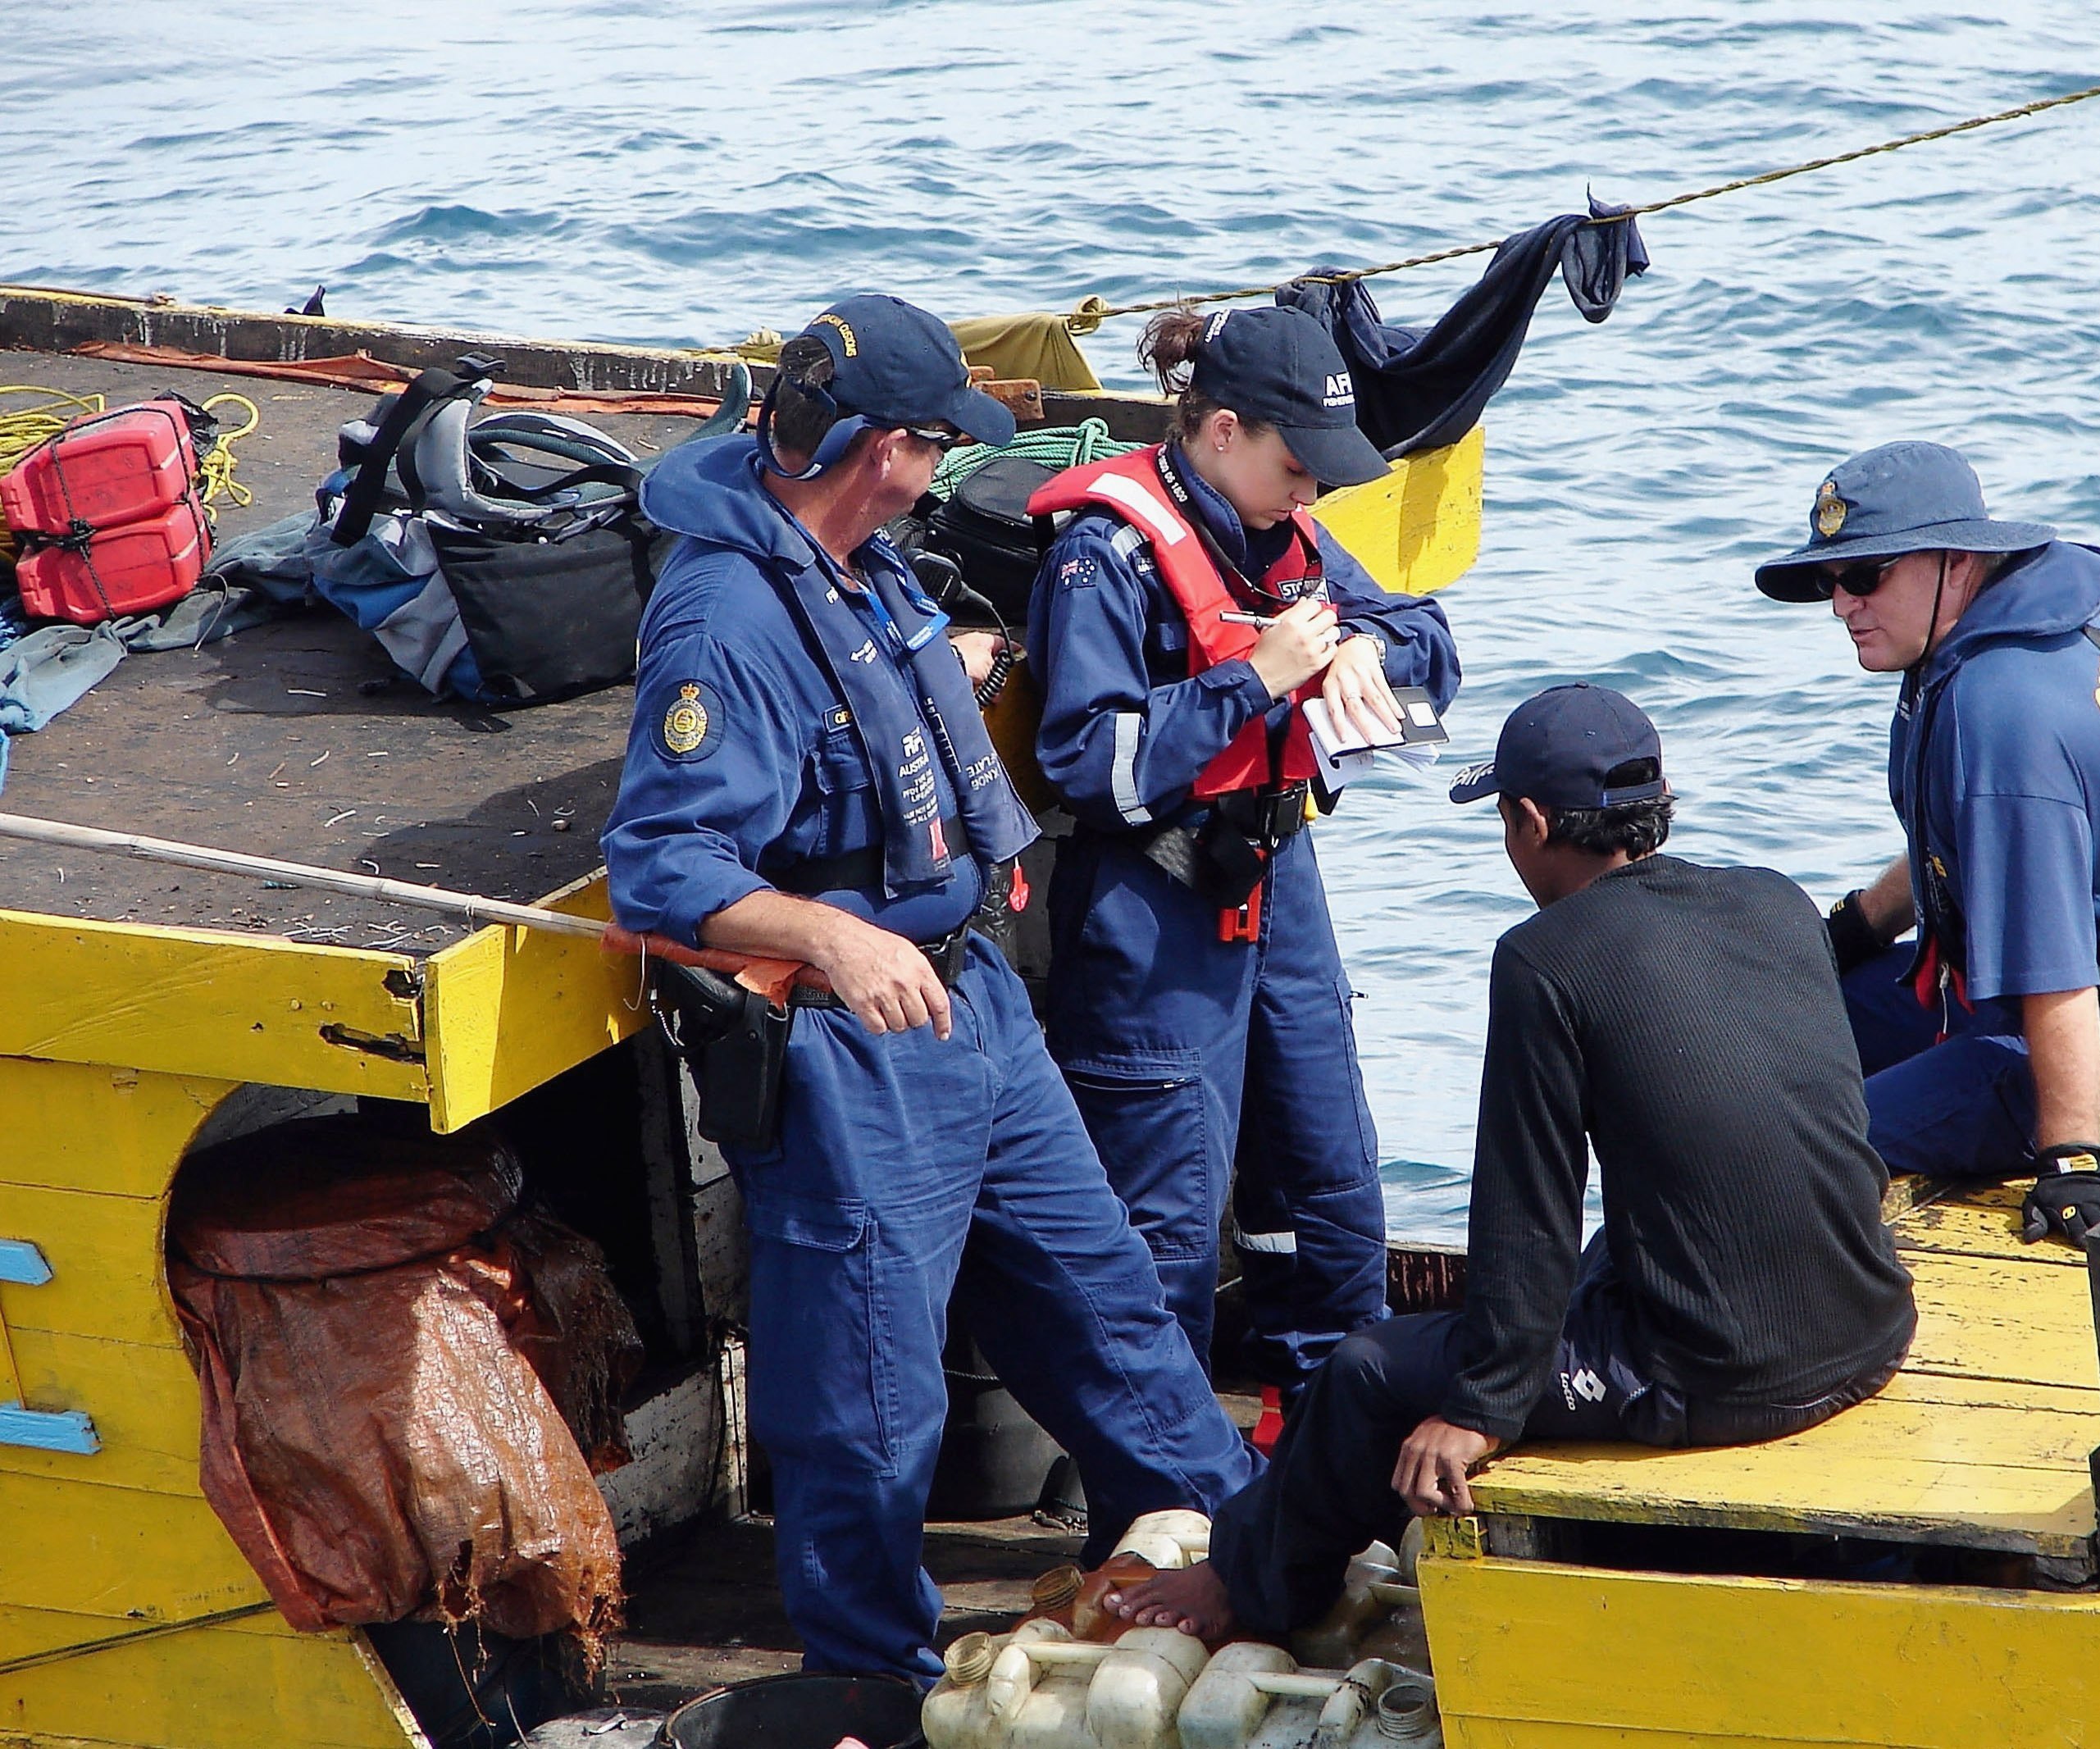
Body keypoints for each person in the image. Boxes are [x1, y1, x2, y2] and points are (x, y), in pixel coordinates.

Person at [601, 294, 1260, 1682]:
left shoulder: (861, 558)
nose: (941, 471)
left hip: (981, 1016)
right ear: (880, 451)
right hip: (856, 1051)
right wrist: (834, 939)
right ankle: (877, 1684)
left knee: (1107, 1304)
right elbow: (661, 865)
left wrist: (965, 674)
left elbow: (893, 683)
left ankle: (1262, 1563)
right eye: (934, 445)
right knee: (867, 1396)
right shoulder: (723, 620)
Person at [1105, 685, 1917, 1639]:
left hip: (1728, 1378)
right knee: (1609, 1262)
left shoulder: (1544, 959)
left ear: (1530, 822)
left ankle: (1251, 1584)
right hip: (1868, 1323)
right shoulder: (1774, 901)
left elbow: (1527, 1211)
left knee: (1365, 1371)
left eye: (1504, 819)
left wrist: (1484, 1409)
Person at [1023, 305, 1461, 1388]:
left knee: (1332, 1188)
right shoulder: (1104, 558)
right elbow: (1093, 764)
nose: (1313, 492)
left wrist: (1363, 644)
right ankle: (1156, 1509)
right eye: (1296, 465)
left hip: (1277, 882)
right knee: (1160, 1229)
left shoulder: (1292, 536)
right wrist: (1252, 680)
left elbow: (1434, 641)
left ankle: (1323, 1450)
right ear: (1222, 432)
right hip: (1152, 909)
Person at [1753, 440, 2100, 1246]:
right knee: (1761, 1025)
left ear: (1956, 562)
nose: (1842, 604)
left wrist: (2071, 1159)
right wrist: (1855, 928)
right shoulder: (1983, 647)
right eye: (1830, 582)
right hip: (2069, 1001)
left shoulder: (2003, 708)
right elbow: (1978, 839)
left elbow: (2055, 963)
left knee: (1781, 1146)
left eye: (1866, 577)